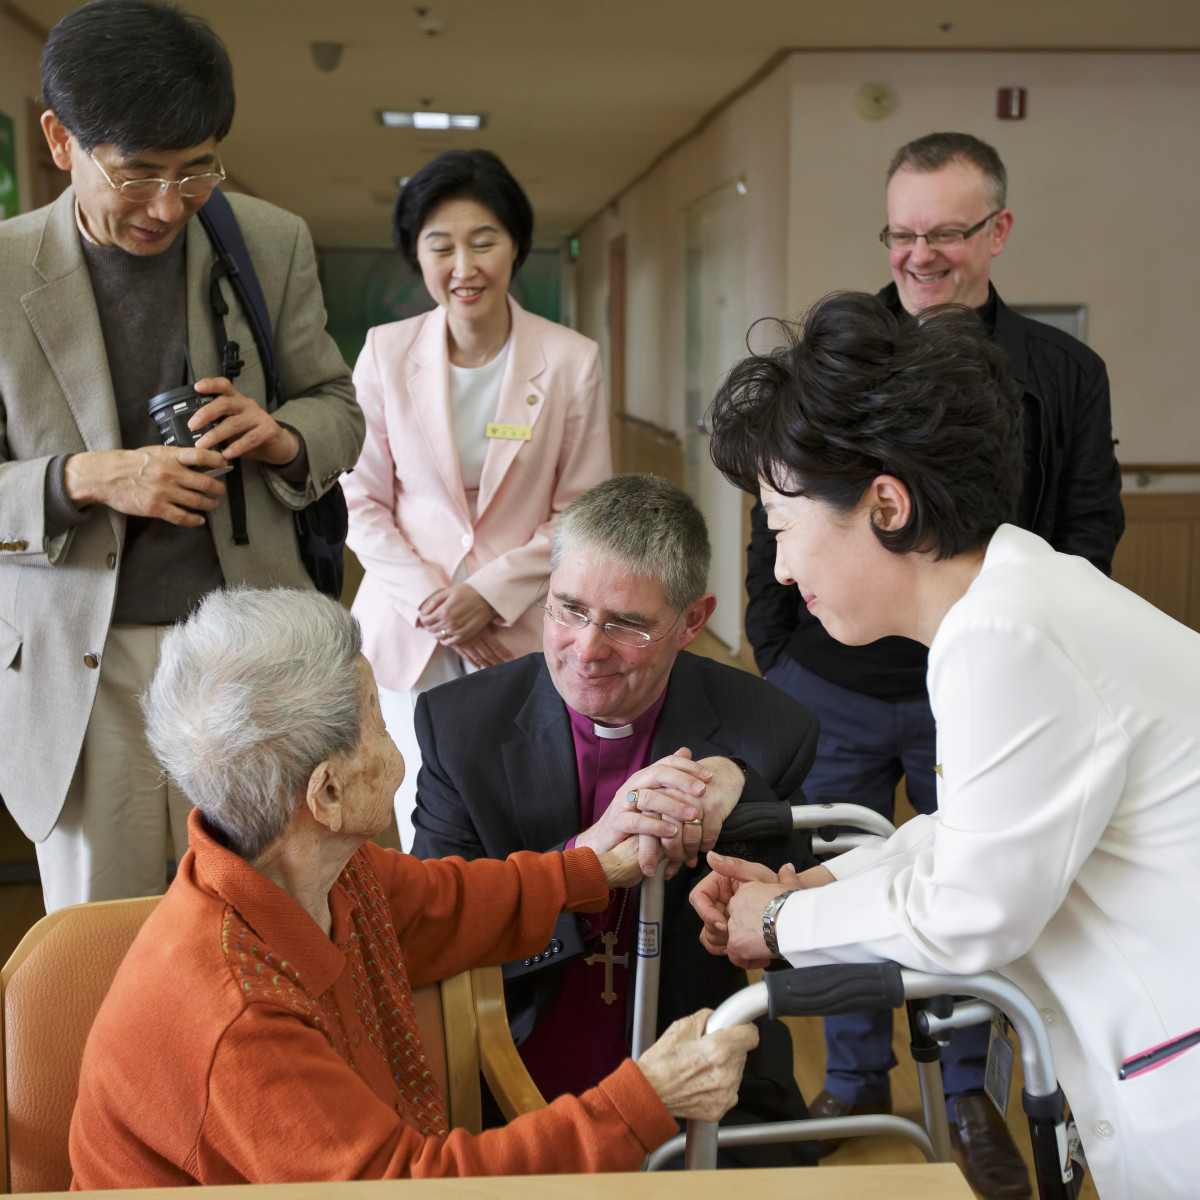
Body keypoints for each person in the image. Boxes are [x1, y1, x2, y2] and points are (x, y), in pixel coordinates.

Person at [693, 291, 1200, 1200]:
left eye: (782, 527)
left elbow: (974, 909)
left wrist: (778, 924)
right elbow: (971, 832)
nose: (780, 567)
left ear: (885, 504)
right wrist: (817, 885)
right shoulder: (1015, 596)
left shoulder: (1004, 635)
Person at [69, 587, 758, 1186]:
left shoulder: (306, 865)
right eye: (375, 719)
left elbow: (440, 907)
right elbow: (400, 1188)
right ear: (328, 791)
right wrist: (648, 1095)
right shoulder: (238, 1016)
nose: (397, 748)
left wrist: (591, 867)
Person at [742, 132, 1124, 1198]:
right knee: (842, 870)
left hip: (996, 683)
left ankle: (968, 1089)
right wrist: (782, 652)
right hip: (840, 685)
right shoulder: (835, 355)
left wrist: (1031, 645)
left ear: (996, 233)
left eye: (945, 234)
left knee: (977, 881)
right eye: (902, 234)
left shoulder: (1063, 372)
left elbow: (1091, 523)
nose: (920, 256)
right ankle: (854, 1082)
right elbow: (775, 517)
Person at [0, 0, 364, 913]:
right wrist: (86, 476)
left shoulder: (267, 243)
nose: (169, 206)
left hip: (249, 661)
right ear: (60, 140)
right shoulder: (4, 273)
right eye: (138, 174)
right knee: (102, 941)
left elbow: (338, 409)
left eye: (197, 170)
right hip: (87, 659)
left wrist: (280, 436)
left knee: (270, 927)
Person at [412, 474, 820, 1168]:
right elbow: (433, 930)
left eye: (627, 624)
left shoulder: (769, 730)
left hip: (706, 1078)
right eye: (567, 608)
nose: (587, 648)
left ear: (692, 621)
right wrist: (582, 859)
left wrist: (742, 802)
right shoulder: (460, 726)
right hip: (505, 1065)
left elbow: (794, 943)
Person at [344, 150, 610, 851]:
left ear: (515, 245)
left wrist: (486, 594)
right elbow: (359, 498)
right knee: (411, 821)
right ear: (417, 256)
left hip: (516, 626)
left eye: (483, 241)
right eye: (442, 246)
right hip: (409, 630)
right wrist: (437, 605)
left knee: (514, 824)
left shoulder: (570, 359)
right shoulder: (383, 352)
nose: (464, 266)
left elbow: (584, 508)